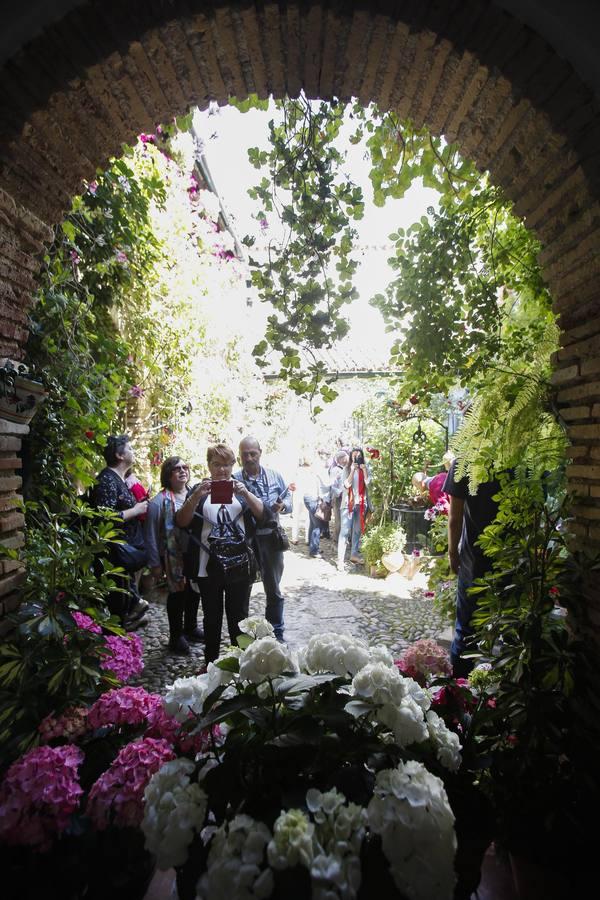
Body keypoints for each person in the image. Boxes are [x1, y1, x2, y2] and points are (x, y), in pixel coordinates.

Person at [176, 443, 265, 665]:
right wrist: (196, 496)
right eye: (217, 464)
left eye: (227, 464)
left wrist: (245, 493)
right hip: (208, 566)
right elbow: (181, 521)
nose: (222, 470)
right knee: (211, 619)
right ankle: (211, 664)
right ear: (209, 466)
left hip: (240, 566)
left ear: (233, 464)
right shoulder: (199, 490)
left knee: (239, 619)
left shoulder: (242, 490)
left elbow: (265, 516)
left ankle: (241, 665)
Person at [444, 459, 500, 678]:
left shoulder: (465, 461)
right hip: (512, 560)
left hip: (473, 562)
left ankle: (457, 696)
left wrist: (452, 553)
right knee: (513, 633)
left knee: (466, 633)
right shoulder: (519, 461)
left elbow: (454, 518)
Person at [144, 456, 204, 655]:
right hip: (172, 557)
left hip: (194, 553)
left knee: (194, 591)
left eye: (185, 467)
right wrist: (154, 564)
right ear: (167, 475)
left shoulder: (196, 494)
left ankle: (191, 627)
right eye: (176, 469)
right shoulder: (158, 502)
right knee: (177, 595)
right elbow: (151, 535)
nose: (182, 471)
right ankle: (176, 635)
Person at [234, 436, 292, 642]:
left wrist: (282, 506)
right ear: (239, 455)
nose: (249, 458)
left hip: (271, 539)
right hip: (244, 542)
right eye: (244, 454)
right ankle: (242, 636)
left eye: (253, 453)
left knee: (273, 588)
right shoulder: (234, 480)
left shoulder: (275, 476)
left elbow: (289, 502)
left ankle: (276, 633)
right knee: (242, 591)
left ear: (260, 452)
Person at [94, 435, 149, 629]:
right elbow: (104, 517)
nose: (133, 452)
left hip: (122, 553)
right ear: (119, 455)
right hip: (113, 555)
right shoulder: (107, 479)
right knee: (117, 607)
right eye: (130, 448)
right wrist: (135, 510)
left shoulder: (118, 479)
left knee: (125, 607)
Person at [337, 447, 370, 568]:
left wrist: (364, 470)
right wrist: (352, 471)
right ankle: (340, 560)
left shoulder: (365, 469)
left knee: (356, 531)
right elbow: (346, 485)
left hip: (361, 504)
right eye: (354, 456)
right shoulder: (346, 469)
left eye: (359, 456)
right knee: (345, 532)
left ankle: (354, 555)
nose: (356, 458)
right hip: (347, 504)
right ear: (351, 457)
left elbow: (368, 483)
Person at [303, 450, 333, 559]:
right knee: (317, 525)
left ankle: (313, 547)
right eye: (327, 456)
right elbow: (326, 483)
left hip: (309, 497)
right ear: (323, 457)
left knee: (313, 523)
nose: (329, 459)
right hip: (314, 499)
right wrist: (336, 479)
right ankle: (314, 551)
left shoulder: (315, 466)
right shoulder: (321, 468)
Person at [329, 449, 349, 543]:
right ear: (338, 460)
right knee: (338, 519)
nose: (344, 461)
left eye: (345, 458)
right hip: (338, 498)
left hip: (348, 497)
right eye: (342, 459)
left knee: (347, 519)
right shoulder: (335, 470)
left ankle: (345, 537)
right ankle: (337, 538)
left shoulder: (349, 468)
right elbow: (332, 485)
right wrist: (340, 493)